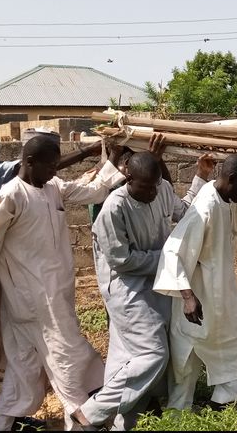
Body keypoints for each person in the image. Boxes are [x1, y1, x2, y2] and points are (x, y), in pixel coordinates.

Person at [0, 135, 126, 431]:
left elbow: (92, 191)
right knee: (69, 359)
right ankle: (82, 421)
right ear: (29, 162)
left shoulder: (53, 188)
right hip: (32, 300)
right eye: (50, 165)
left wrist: (114, 158)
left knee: (23, 370)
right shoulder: (11, 195)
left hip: (53, 296)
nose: (56, 170)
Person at [71, 150, 215, 430]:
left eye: (155, 186)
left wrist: (201, 176)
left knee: (126, 359)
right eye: (144, 187)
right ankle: (91, 412)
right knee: (153, 355)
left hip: (158, 286)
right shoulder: (114, 208)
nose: (151, 193)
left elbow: (185, 213)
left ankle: (123, 423)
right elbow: (121, 260)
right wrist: (168, 256)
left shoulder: (161, 190)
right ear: (127, 176)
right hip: (127, 291)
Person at [153, 154, 237, 411]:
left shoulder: (228, 198)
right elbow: (172, 250)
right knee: (187, 362)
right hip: (197, 299)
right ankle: (178, 417)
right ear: (231, 179)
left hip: (222, 295)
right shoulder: (205, 206)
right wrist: (188, 297)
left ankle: (222, 405)